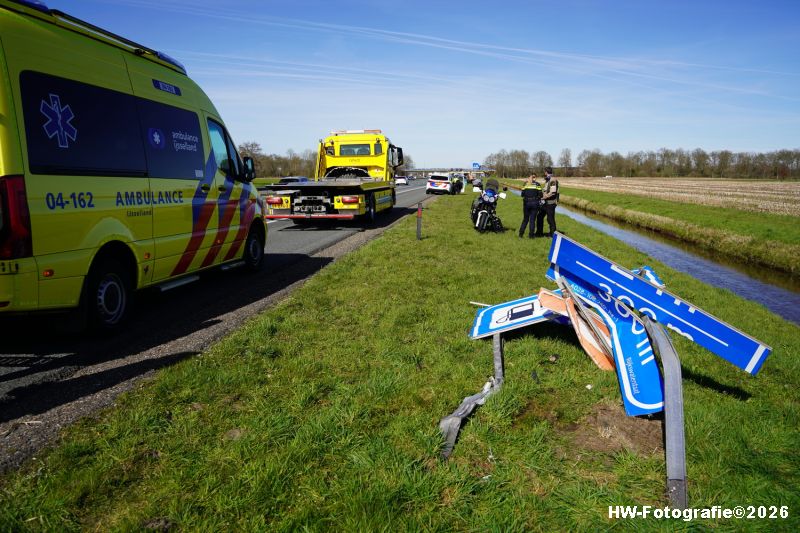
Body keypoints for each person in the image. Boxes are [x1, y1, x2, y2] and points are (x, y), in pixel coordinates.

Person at [535, 166, 559, 237]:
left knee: (550, 219)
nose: (544, 173)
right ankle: (539, 233)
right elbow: (545, 190)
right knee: (539, 217)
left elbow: (553, 192)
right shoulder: (548, 179)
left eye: (544, 172)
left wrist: (543, 197)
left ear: (546, 172)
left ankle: (553, 235)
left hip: (551, 203)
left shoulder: (552, 180)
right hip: (545, 203)